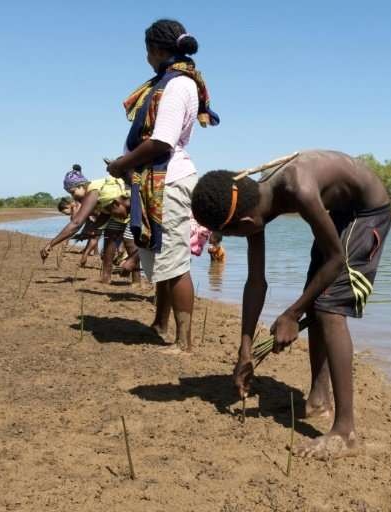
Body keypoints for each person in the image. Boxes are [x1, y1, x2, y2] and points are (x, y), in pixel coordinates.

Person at [191, 150, 391, 460]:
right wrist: (245, 349)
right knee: (317, 299)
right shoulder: (250, 202)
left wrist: (292, 313)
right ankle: (318, 400)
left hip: (366, 211)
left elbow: (337, 260)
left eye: (231, 234)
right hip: (338, 211)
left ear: (245, 221)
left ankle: (346, 432)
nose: (236, 238)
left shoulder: (299, 189)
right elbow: (255, 281)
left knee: (327, 306)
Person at [105, 18, 219, 352]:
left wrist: (120, 164)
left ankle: (183, 342)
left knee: (175, 264)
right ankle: (160, 323)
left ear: (156, 50)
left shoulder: (177, 85)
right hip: (159, 180)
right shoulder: (171, 82)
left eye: (146, 51)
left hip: (168, 180)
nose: (146, 58)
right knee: (162, 258)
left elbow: (162, 142)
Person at [40, 166, 140, 283]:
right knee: (109, 239)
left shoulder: (93, 191)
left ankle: (137, 282)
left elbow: (76, 223)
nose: (73, 197)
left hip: (133, 210)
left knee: (130, 241)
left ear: (81, 186)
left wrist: (51, 244)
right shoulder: (95, 192)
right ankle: (105, 278)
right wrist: (90, 231)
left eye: (73, 192)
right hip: (115, 214)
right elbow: (104, 213)